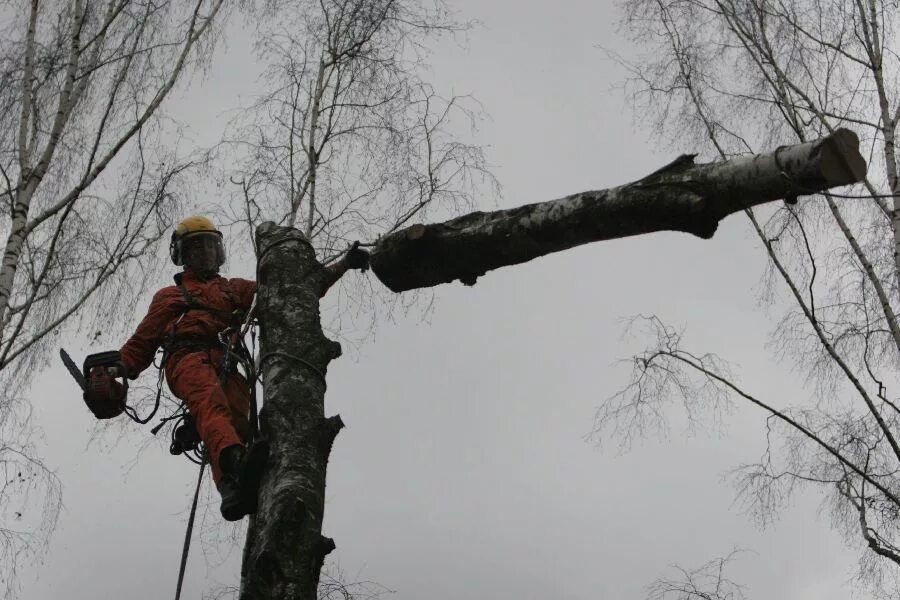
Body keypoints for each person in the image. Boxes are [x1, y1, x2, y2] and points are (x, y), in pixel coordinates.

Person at [106, 216, 368, 521]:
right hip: (188, 358)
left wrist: (342, 265)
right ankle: (235, 462)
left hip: (228, 363)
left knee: (239, 422)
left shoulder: (233, 291)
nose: (205, 253)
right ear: (183, 256)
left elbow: (289, 292)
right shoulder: (170, 297)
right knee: (210, 403)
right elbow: (141, 343)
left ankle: (233, 488)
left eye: (210, 247)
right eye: (197, 248)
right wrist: (115, 369)